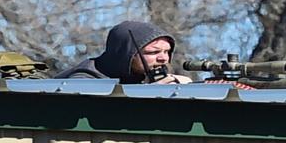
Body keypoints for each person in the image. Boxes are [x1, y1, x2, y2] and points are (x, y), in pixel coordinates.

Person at [54, 20, 192, 84]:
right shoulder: (83, 81)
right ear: (127, 54)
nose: (164, 59)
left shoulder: (139, 77)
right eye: (153, 53)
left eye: (167, 52)